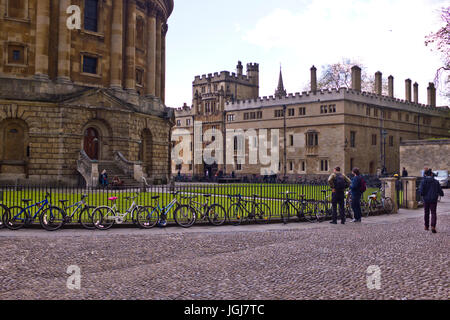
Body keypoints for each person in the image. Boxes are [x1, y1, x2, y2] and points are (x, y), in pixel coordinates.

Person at [419, 169, 444, 233]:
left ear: (425, 174)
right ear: (431, 174)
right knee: (433, 213)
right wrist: (441, 194)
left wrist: (422, 195)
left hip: (426, 199)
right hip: (433, 199)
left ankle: (426, 226)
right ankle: (433, 226)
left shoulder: (423, 181)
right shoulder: (436, 182)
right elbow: (439, 190)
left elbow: (421, 191)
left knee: (426, 213)